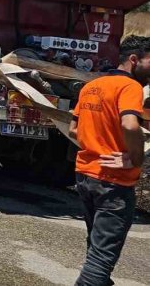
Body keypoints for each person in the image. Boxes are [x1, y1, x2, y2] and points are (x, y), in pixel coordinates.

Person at [68, 38, 150, 285]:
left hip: (85, 176)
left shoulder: (93, 86)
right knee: (100, 261)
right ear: (134, 60)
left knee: (96, 248)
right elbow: (129, 123)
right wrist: (135, 159)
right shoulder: (130, 87)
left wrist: (96, 145)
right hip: (113, 184)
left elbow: (74, 129)